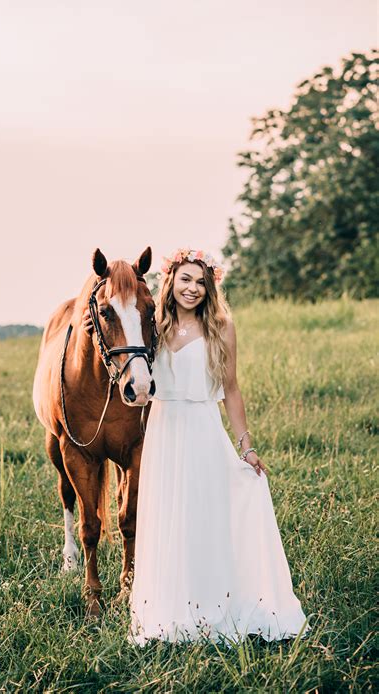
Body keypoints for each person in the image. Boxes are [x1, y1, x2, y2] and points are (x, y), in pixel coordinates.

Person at [84, 248, 311, 647]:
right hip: (163, 432)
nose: (192, 289)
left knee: (205, 516)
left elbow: (232, 390)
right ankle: (170, 609)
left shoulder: (221, 327)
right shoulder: (154, 323)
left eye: (200, 282)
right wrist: (93, 320)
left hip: (202, 428)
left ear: (210, 288)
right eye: (185, 279)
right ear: (170, 281)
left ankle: (214, 605)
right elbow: (120, 329)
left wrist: (246, 447)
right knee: (166, 518)